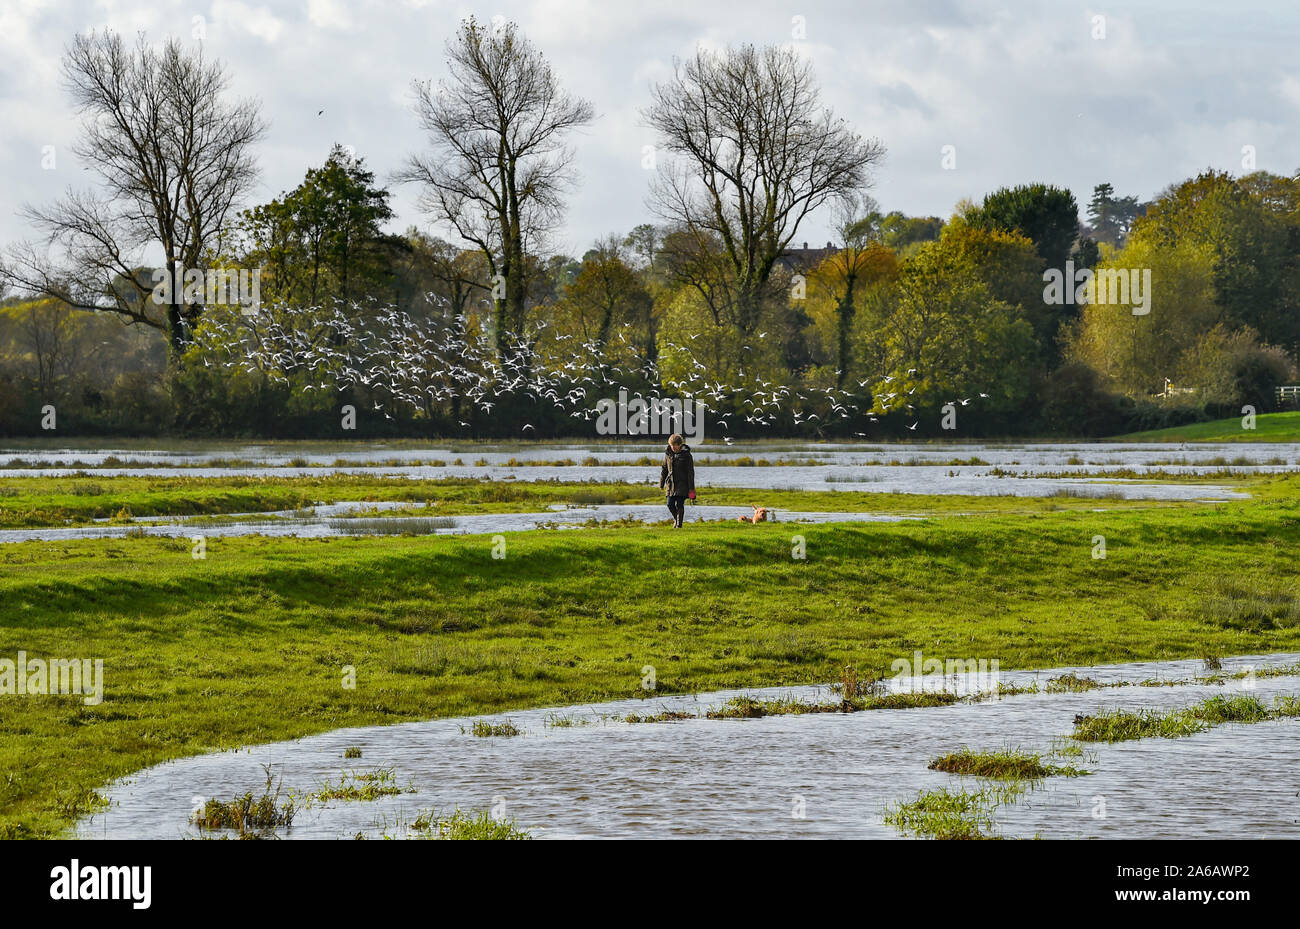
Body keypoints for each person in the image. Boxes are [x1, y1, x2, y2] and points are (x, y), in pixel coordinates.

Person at [659, 433, 695, 528]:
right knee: (669, 504)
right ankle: (676, 519)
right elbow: (664, 469)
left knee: (680, 504)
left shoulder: (687, 455)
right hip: (671, 484)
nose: (673, 447)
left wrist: (691, 489)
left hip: (683, 484)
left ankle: (679, 525)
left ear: (680, 445)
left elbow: (690, 472)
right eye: (671, 445)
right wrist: (661, 483)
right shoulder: (668, 454)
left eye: (675, 445)